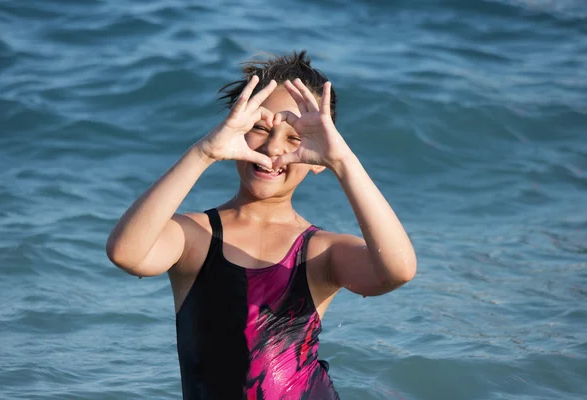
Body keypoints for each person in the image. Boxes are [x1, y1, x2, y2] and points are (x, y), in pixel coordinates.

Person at [106, 50, 416, 400]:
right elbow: (126, 253)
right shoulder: (196, 238)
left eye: (294, 137)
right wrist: (204, 152)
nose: (272, 148)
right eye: (258, 128)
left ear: (318, 158)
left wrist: (343, 162)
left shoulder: (318, 252)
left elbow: (397, 271)